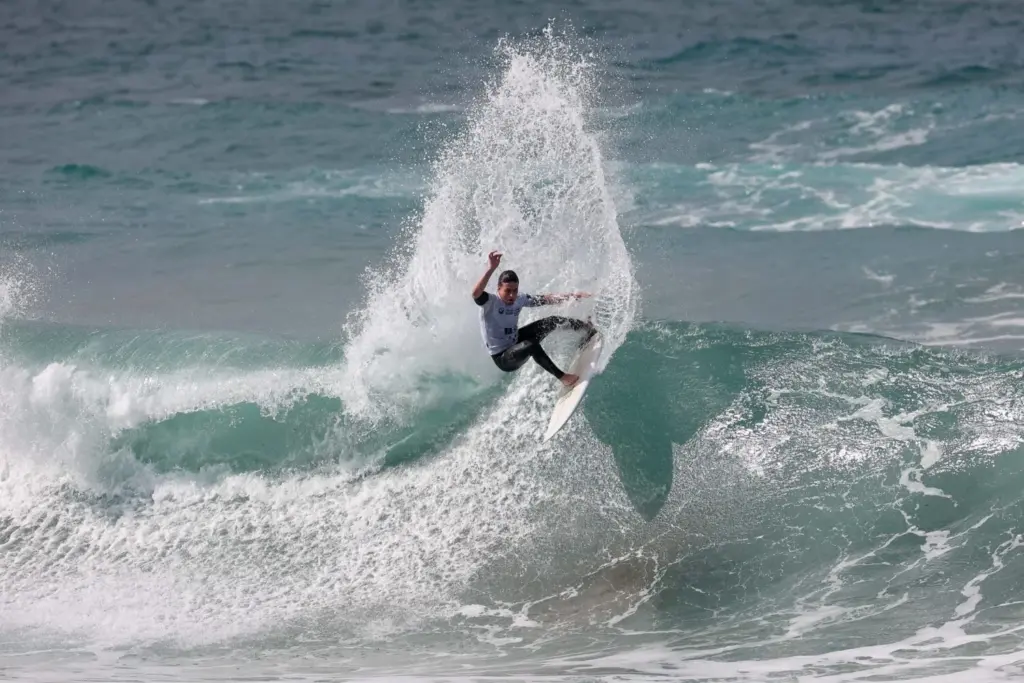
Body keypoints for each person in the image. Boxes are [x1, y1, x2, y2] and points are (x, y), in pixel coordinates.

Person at [472, 250, 596, 388]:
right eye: (507, 291)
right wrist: (491, 269)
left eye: (515, 290)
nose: (512, 295)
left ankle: (586, 328)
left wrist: (573, 295)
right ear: (498, 288)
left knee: (552, 321)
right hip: (504, 358)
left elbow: (545, 299)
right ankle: (563, 378)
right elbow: (476, 294)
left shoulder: (519, 299)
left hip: (514, 340)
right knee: (530, 345)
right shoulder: (490, 302)